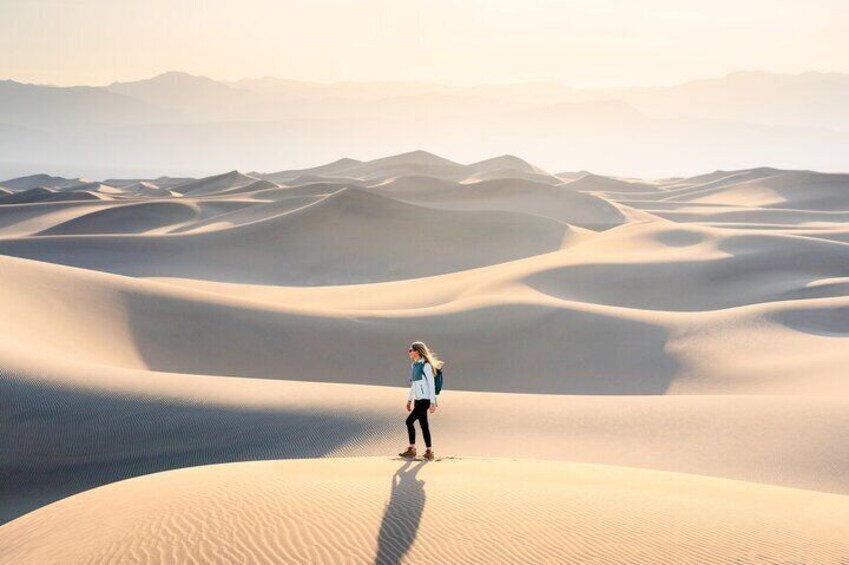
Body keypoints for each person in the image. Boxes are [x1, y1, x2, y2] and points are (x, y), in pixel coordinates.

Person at [398, 341, 443, 461]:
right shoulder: (414, 365)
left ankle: (412, 449)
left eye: (411, 350)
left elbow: (431, 384)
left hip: (425, 400)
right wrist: (409, 400)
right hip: (418, 400)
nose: (409, 352)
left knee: (409, 422)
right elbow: (414, 385)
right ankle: (429, 451)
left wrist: (433, 402)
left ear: (417, 351)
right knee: (424, 425)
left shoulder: (426, 365)